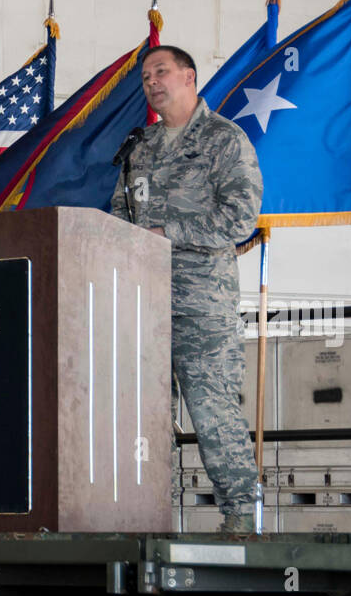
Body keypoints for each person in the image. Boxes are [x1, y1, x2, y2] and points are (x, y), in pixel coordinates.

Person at [111, 45, 263, 534]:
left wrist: (168, 233)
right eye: (146, 76)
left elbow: (240, 219)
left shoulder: (224, 140)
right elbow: (119, 215)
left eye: (162, 72)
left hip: (202, 305)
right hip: (142, 302)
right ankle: (140, 513)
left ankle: (240, 517)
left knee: (212, 408)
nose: (152, 81)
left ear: (189, 77)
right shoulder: (140, 146)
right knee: (139, 413)